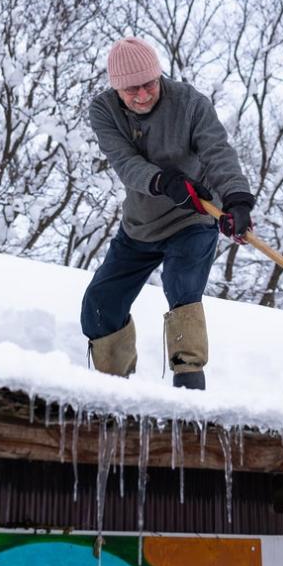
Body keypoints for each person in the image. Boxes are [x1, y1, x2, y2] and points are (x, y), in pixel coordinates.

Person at [80, 37, 255, 390]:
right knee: (100, 302)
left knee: (182, 287)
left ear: (159, 76)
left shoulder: (190, 104)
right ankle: (113, 391)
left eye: (149, 84)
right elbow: (125, 163)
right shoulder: (104, 111)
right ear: (117, 89)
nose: (142, 95)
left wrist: (236, 199)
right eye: (132, 90)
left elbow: (217, 152)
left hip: (192, 217)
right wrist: (162, 181)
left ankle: (189, 387)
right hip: (140, 225)